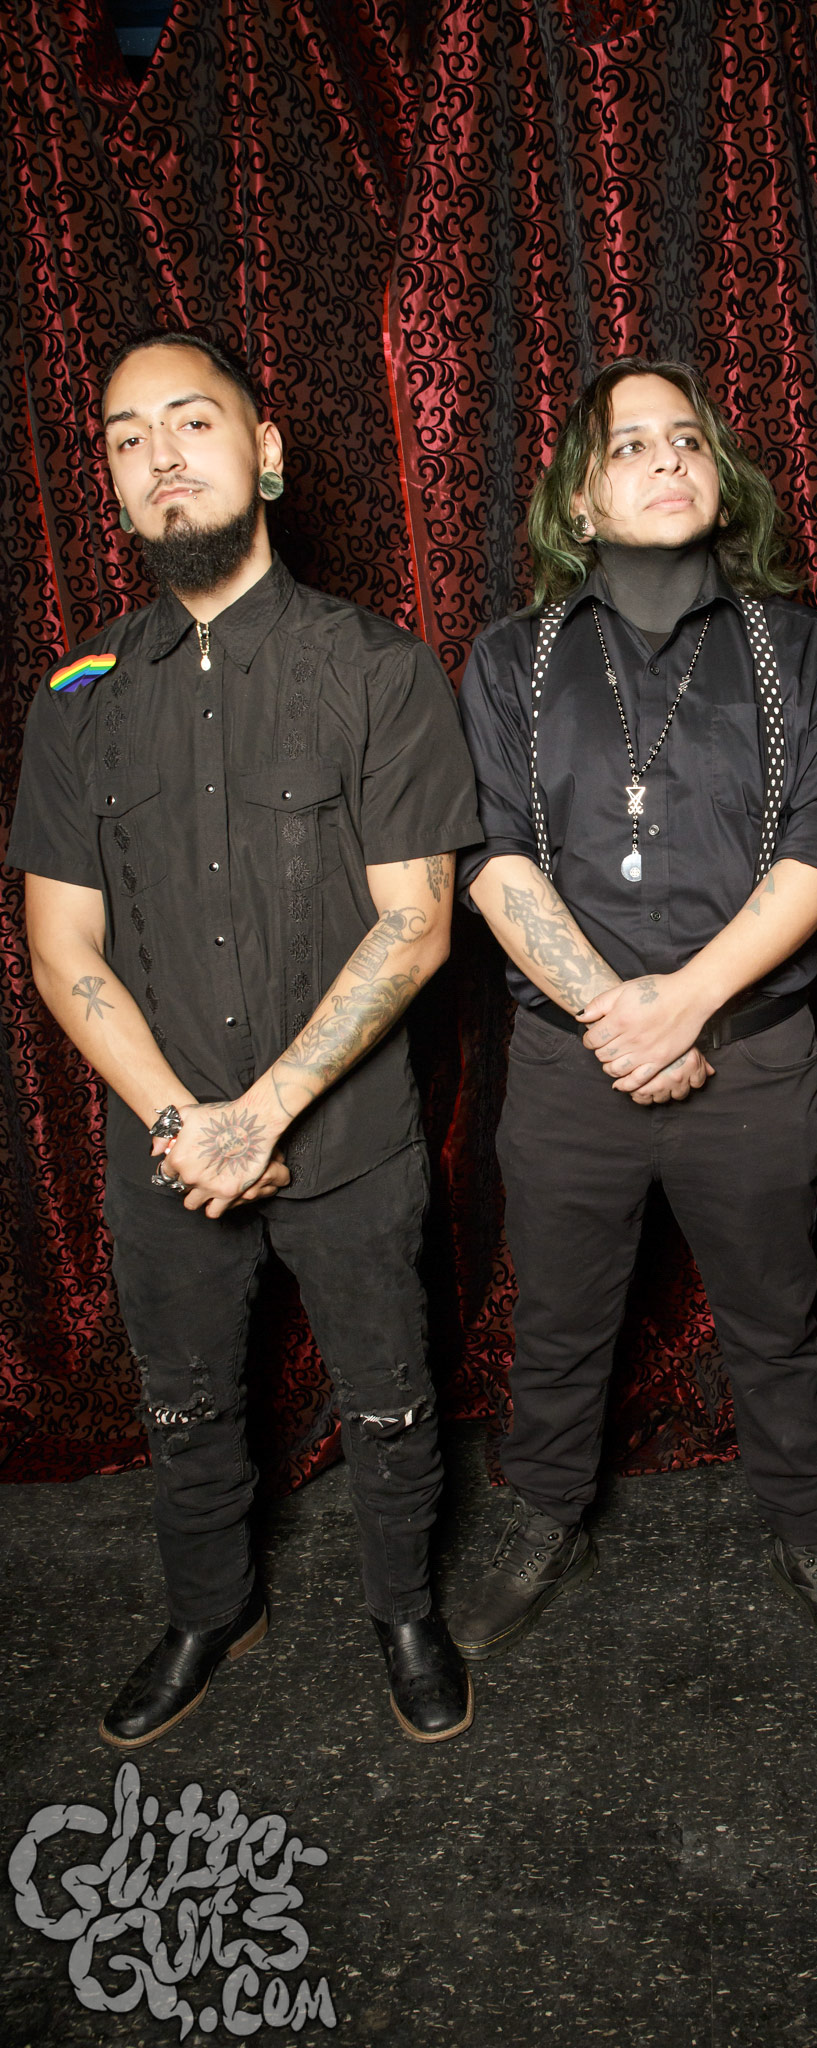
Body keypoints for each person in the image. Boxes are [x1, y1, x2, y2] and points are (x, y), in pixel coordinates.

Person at [9, 328, 484, 1747]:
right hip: (162, 1147)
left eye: (191, 421)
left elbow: (416, 926)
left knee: (390, 1400)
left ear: (264, 451)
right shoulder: (76, 697)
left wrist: (261, 1115)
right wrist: (181, 1124)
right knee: (184, 1404)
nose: (160, 456)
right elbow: (61, 946)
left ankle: (405, 1608)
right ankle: (211, 1608)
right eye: (126, 437)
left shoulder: (380, 670)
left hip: (345, 1142)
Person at [449, 358, 817, 1676]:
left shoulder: (802, 652)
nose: (665, 460)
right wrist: (617, 1018)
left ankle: (813, 1533)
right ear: (578, 501)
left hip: (750, 1058)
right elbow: (489, 855)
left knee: (775, 1320)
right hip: (568, 1061)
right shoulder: (511, 660)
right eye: (629, 445)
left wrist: (690, 1003)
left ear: (722, 478)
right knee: (559, 1323)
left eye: (687, 440)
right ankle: (546, 1517)